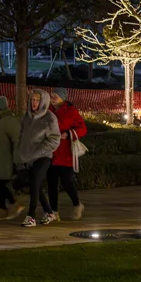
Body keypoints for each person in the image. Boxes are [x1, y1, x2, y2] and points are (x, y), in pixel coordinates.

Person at [16, 89, 61, 227]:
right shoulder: (27, 117)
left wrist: (41, 151)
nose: (34, 103)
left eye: (37, 100)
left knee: (35, 183)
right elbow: (21, 136)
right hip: (29, 158)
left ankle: (31, 216)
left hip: (43, 157)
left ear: (44, 102)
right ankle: (49, 213)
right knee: (35, 186)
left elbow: (55, 139)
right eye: (33, 100)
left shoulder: (50, 118)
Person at [48, 87, 87, 221]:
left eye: (55, 95)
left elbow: (82, 128)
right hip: (51, 152)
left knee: (67, 182)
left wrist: (69, 134)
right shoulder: (48, 110)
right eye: (51, 95)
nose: (52, 98)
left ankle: (77, 204)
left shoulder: (71, 111)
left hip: (66, 154)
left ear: (63, 98)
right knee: (51, 183)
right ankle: (53, 212)